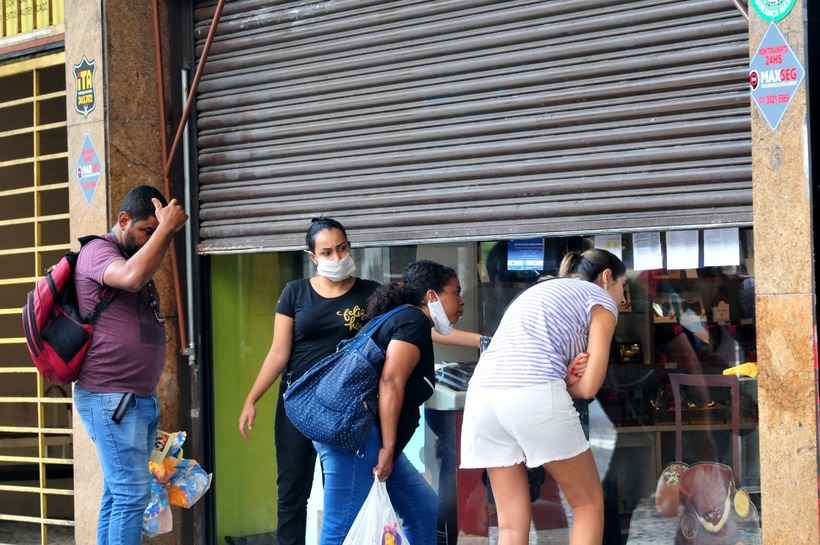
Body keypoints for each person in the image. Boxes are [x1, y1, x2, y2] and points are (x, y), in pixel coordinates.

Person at [460, 249, 626, 545]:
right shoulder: (600, 299)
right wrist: (568, 384)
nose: (623, 299)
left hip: (482, 397)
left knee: (510, 524)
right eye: (623, 288)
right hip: (530, 393)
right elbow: (589, 388)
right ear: (607, 277)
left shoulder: (544, 291)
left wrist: (564, 381)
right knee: (587, 504)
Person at [238, 218, 380, 545]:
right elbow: (278, 352)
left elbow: (398, 337)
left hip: (347, 409)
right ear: (313, 257)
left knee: (342, 495)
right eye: (327, 252)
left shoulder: (371, 293)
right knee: (291, 493)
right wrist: (251, 399)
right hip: (298, 404)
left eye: (342, 248)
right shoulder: (295, 292)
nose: (337, 257)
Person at [314, 260, 464, 545]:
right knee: (340, 527)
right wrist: (388, 448)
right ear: (432, 296)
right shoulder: (413, 321)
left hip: (370, 438)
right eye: (455, 292)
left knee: (423, 510)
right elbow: (390, 381)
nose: (460, 300)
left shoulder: (402, 319)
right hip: (358, 438)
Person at [73, 185, 188, 545]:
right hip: (112, 399)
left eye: (156, 232)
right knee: (130, 497)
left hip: (134, 399)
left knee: (117, 493)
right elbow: (131, 277)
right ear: (123, 221)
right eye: (146, 231)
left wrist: (159, 234)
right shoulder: (97, 251)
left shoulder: (135, 252)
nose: (151, 239)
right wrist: (166, 230)